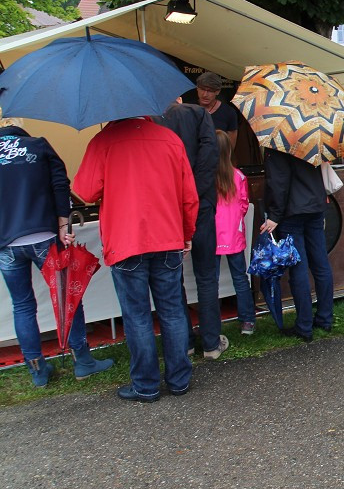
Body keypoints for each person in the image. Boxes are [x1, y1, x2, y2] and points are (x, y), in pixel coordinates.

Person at [73, 117, 198, 402]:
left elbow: (85, 191)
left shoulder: (103, 140)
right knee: (173, 310)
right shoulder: (169, 138)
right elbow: (189, 195)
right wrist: (187, 232)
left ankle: (146, 385)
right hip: (167, 236)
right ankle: (179, 380)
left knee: (137, 316)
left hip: (126, 241)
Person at [0, 118, 114, 387]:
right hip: (44, 235)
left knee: (22, 305)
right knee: (67, 298)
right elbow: (61, 184)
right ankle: (82, 361)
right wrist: (64, 225)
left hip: (6, 242)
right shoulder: (38, 146)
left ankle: (37, 370)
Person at [156, 100, 228, 359]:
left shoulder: (152, 121)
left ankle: (183, 342)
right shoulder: (198, 114)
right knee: (207, 276)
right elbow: (210, 157)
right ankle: (210, 343)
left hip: (168, 208)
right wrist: (195, 195)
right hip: (202, 205)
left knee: (172, 279)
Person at [261, 149, 334, 342]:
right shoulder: (310, 137)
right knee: (321, 264)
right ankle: (325, 318)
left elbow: (278, 181)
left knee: (298, 269)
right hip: (315, 205)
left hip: (292, 210)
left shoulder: (278, 144)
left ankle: (304, 325)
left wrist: (274, 216)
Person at [213, 131, 256, 336]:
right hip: (233, 233)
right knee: (240, 278)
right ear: (229, 150)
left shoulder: (205, 177)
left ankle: (211, 325)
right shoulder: (238, 176)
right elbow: (244, 205)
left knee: (209, 282)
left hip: (211, 236)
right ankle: (247, 321)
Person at [195, 72, 240, 147]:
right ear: (197, 88)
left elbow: (230, 146)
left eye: (210, 91)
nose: (205, 94)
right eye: (202, 89)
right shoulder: (189, 109)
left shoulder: (229, 113)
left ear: (217, 91)